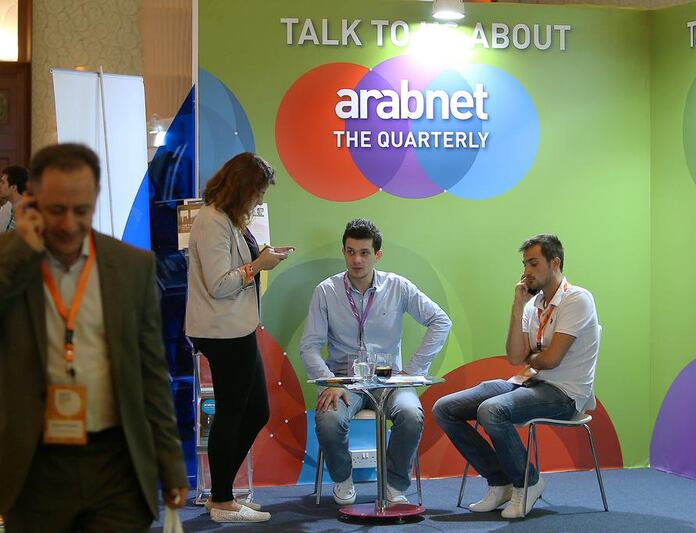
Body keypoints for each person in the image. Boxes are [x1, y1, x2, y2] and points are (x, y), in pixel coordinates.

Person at [0, 144, 188, 531]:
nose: (69, 223)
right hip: (34, 465)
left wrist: (170, 463)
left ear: (95, 200)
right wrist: (20, 250)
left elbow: (152, 371)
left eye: (81, 210)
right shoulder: (10, 260)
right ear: (33, 199)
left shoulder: (132, 266)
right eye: (56, 209)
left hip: (116, 463)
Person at [433, 234, 599, 519]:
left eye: (534, 263)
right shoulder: (533, 305)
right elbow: (513, 356)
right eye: (524, 264)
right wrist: (517, 306)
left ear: (555, 263)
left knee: (492, 410)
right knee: (445, 409)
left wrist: (532, 355)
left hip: (565, 394)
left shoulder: (577, 299)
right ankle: (501, 482)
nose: (526, 271)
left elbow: (550, 359)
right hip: (526, 383)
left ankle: (529, 482)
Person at [300, 218, 452, 505]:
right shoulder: (326, 291)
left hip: (390, 379)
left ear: (377, 255)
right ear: (343, 251)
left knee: (411, 414)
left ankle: (394, 485)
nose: (356, 259)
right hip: (344, 380)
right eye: (350, 251)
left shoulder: (398, 286)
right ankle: (343, 481)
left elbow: (440, 321)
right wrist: (330, 382)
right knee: (329, 419)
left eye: (364, 252)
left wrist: (413, 371)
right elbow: (309, 345)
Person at [185, 152, 294, 523]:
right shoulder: (213, 221)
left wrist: (262, 257)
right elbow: (219, 284)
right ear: (242, 188)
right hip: (223, 331)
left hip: (237, 328)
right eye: (258, 193)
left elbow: (235, 268)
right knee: (235, 412)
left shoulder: (227, 220)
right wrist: (258, 266)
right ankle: (222, 500)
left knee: (254, 411)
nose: (260, 201)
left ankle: (222, 495)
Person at [0, 165, 29, 232]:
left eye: (3, 182)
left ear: (13, 187)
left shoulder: (25, 213)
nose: (0, 185)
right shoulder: (11, 207)